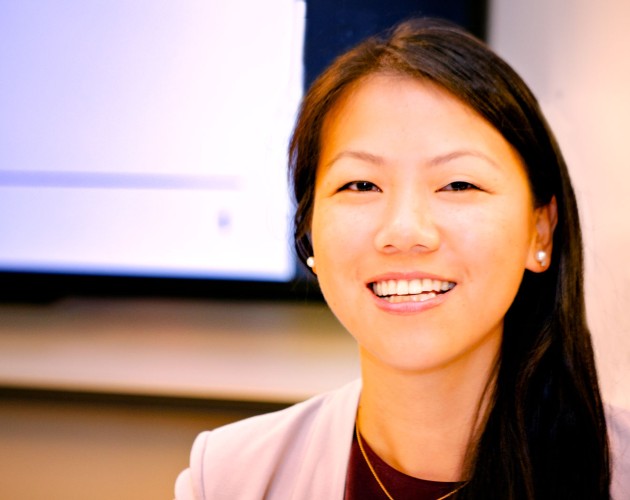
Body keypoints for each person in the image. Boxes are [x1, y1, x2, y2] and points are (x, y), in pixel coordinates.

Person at [175, 18, 629, 499]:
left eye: (458, 184)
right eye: (361, 185)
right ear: (309, 232)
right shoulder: (228, 477)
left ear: (540, 230)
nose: (404, 231)